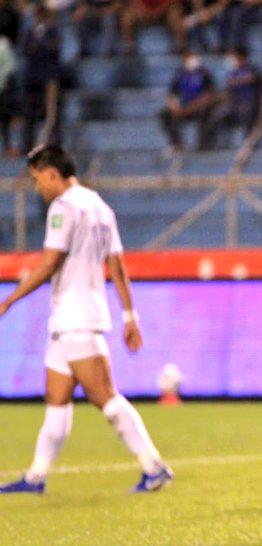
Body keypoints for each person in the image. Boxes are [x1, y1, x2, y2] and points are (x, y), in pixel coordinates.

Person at [0, 145, 174, 495]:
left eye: (37, 179)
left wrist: (10, 300)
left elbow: (50, 263)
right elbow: (117, 265)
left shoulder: (63, 208)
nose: (37, 187)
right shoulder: (99, 206)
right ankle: (35, 476)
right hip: (71, 319)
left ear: (52, 173)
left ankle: (154, 467)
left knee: (105, 397)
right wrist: (129, 315)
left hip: (76, 318)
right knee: (56, 399)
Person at [20, 6, 62, 154]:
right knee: (30, 113)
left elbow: (54, 49)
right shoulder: (29, 32)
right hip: (32, 78)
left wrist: (39, 44)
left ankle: (54, 145)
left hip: (49, 78)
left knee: (52, 113)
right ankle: (28, 146)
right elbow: (26, 50)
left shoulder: (52, 31)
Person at [158, 49, 217, 152]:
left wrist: (192, 107)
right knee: (164, 114)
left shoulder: (204, 73)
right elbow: (172, 93)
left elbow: (210, 95)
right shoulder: (179, 74)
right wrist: (174, 106)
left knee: (207, 112)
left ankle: (203, 144)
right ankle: (177, 143)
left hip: (198, 107)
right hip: (182, 108)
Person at [211, 47, 262, 148]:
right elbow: (227, 90)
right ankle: (213, 144)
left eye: (233, 56)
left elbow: (258, 79)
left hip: (250, 103)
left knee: (248, 111)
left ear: (241, 57)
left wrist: (239, 81)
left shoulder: (252, 68)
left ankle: (250, 142)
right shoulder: (232, 72)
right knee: (217, 114)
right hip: (234, 104)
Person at [121, 0, 186, 55]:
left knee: (175, 13)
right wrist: (143, 9)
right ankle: (129, 45)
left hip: (165, 10)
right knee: (127, 16)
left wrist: (158, 10)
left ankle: (179, 44)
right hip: (143, 11)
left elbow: (173, 2)